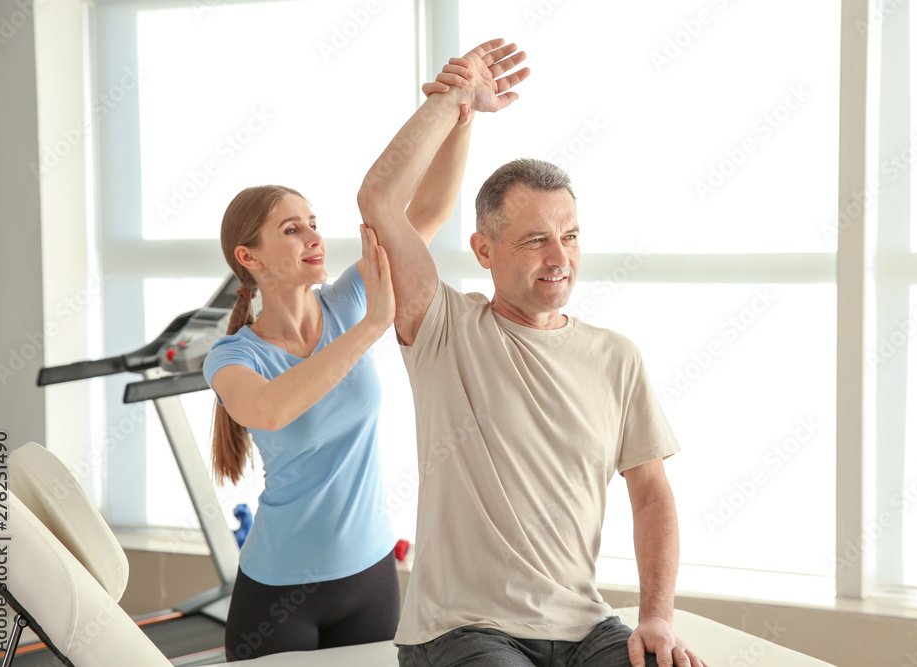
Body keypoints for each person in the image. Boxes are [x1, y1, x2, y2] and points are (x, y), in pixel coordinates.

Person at [357, 39, 707, 667]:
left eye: (570, 236)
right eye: (536, 240)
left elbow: (651, 492)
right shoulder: (443, 329)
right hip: (462, 629)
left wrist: (657, 616)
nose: (559, 257)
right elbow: (380, 199)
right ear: (483, 250)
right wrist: (454, 98)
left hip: (584, 626)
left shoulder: (616, 357)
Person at [199, 50, 516, 661]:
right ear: (248, 257)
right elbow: (270, 410)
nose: (314, 236)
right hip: (278, 593)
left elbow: (425, 213)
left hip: (371, 575)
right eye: (291, 229)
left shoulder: (346, 301)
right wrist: (373, 326)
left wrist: (463, 114)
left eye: (313, 222)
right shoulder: (234, 356)